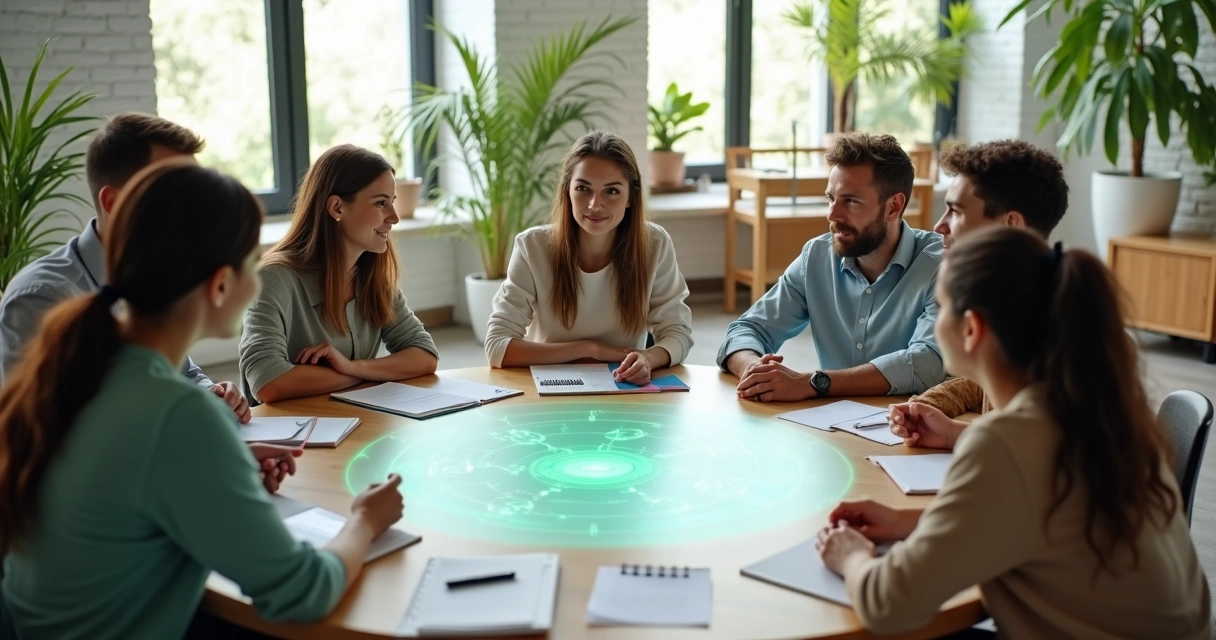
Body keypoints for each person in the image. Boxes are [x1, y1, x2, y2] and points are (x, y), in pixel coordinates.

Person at [0, 160, 406, 640]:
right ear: (219, 285)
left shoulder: (83, 368)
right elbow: (302, 591)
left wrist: (223, 465)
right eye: (250, 264)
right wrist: (364, 521)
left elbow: (130, 478)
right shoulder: (179, 412)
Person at [816, 227, 1210, 638]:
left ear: (972, 329)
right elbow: (1040, 515)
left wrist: (851, 556)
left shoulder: (1004, 445)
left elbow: (889, 604)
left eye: (940, 307)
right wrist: (906, 521)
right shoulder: (1096, 408)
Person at [0, 112, 250, 423]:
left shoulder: (158, 273)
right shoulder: (41, 298)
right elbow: (43, 432)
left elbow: (183, 375)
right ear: (114, 204)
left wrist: (211, 394)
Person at [718, 133, 944, 400]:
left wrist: (813, 383)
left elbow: (926, 362)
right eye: (831, 199)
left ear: (893, 207)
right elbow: (746, 330)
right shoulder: (816, 257)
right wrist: (754, 370)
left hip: (915, 419)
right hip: (831, 419)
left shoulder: (941, 265)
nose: (832, 214)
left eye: (851, 201)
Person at [888, 140, 1070, 449]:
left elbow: (1042, 450)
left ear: (1010, 225)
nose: (939, 226)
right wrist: (941, 419)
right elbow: (990, 393)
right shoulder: (1020, 303)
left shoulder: (1051, 333)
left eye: (955, 211)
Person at [484, 131, 693, 385]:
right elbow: (497, 346)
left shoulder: (654, 244)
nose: (595, 204)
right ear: (567, 191)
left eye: (611, 191)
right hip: (549, 387)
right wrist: (590, 349)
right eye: (583, 188)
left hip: (623, 385)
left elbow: (678, 333)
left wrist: (648, 358)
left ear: (630, 197)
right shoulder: (532, 246)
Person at [240, 144, 439, 405]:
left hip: (358, 421)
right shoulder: (272, 278)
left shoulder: (373, 275)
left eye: (392, 202)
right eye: (381, 203)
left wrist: (353, 367)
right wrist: (367, 375)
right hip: (293, 430)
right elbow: (268, 383)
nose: (394, 217)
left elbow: (424, 356)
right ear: (336, 208)